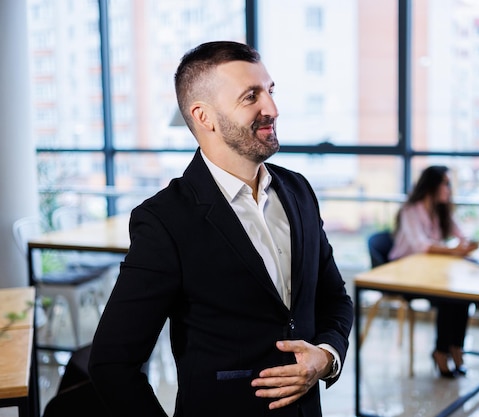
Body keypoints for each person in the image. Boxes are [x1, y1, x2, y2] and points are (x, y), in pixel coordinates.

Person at [88, 41, 354, 417]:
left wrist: (327, 357)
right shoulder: (165, 220)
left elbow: (335, 299)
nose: (272, 109)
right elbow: (112, 365)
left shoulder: (299, 191)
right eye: (251, 97)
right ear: (204, 117)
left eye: (270, 91)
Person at [388, 165, 478, 378]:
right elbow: (421, 245)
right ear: (433, 185)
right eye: (446, 183)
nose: (449, 188)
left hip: (430, 273)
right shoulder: (410, 211)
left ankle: (456, 347)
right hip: (404, 275)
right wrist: (454, 249)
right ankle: (441, 351)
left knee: (461, 294)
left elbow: (461, 234)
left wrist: (467, 244)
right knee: (449, 296)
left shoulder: (442, 210)